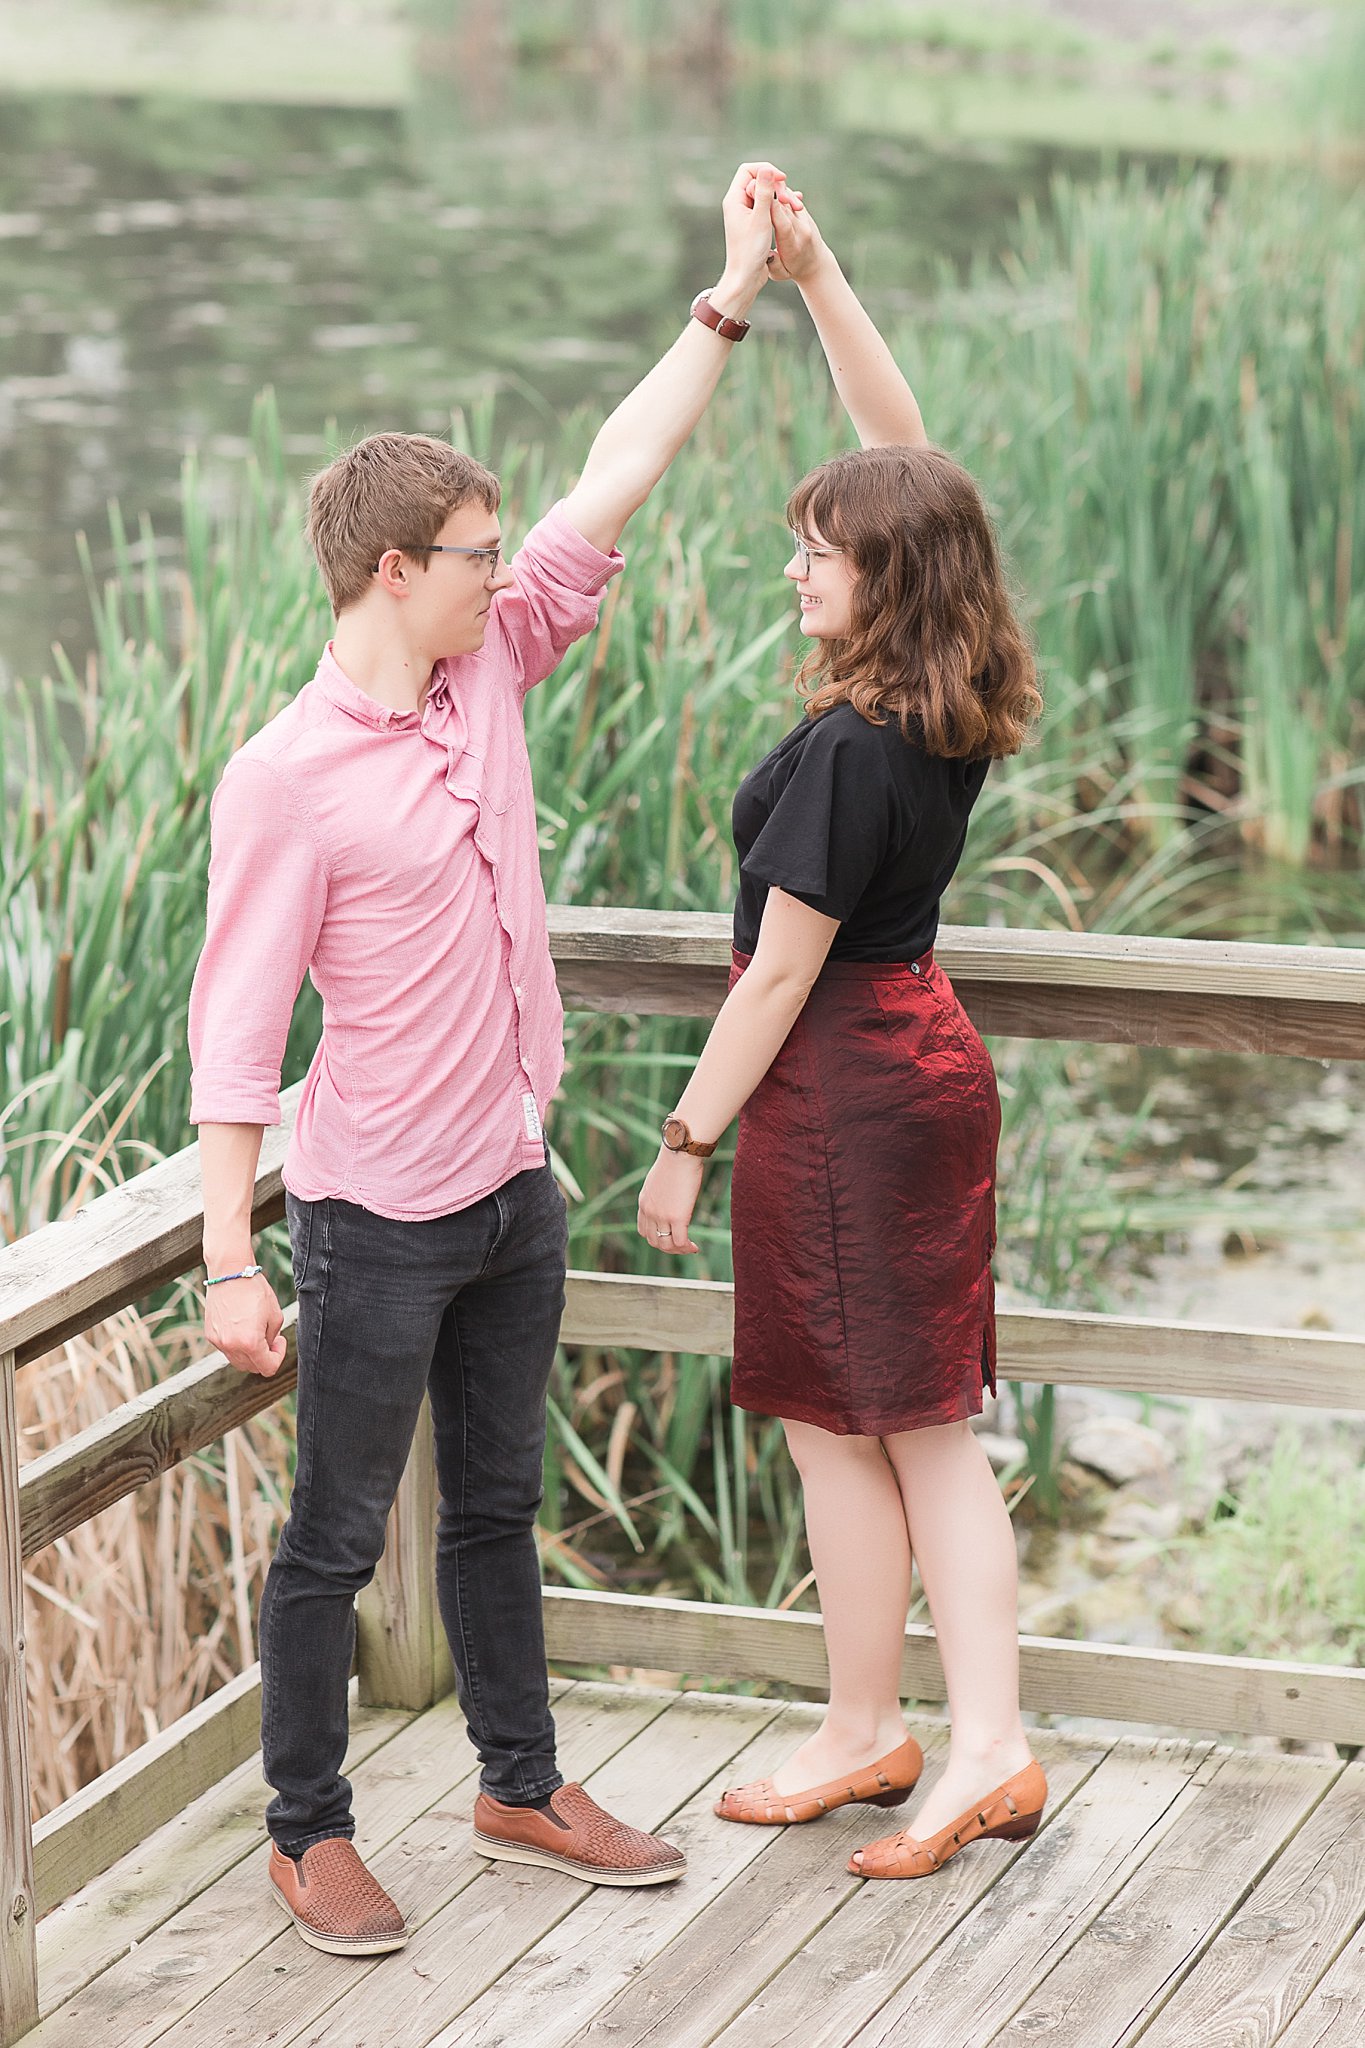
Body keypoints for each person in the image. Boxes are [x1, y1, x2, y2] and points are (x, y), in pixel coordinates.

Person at [187, 161, 795, 1955]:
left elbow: (620, 471)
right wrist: (231, 1255)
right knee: (332, 1536)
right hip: (370, 1212)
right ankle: (308, 1831)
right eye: (472, 549)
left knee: (502, 1506)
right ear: (395, 569)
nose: (500, 567)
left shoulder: (490, 670)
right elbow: (233, 1038)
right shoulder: (284, 777)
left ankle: (518, 1784)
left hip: (511, 1187)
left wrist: (729, 292)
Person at [636, 180, 1048, 1882]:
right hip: (915, 1063)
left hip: (843, 1085)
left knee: (914, 1424)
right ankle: (867, 1726)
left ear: (880, 575)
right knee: (851, 1416)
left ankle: (984, 1747)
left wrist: (680, 1142)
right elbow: (915, 464)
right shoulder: (933, 703)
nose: (792, 562)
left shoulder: (848, 750)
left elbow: (773, 976)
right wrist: (811, 278)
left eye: (816, 546)